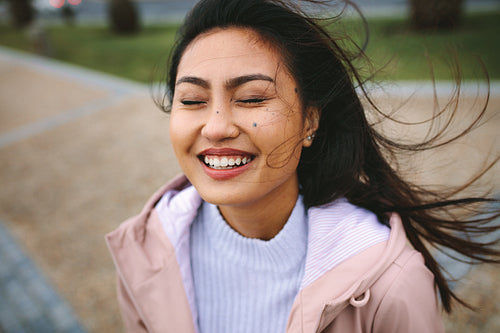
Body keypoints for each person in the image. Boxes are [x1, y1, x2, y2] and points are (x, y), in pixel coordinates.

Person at [106, 0, 500, 332]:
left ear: (310, 120)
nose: (217, 127)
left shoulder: (389, 285)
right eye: (191, 100)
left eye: (252, 98)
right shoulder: (144, 252)